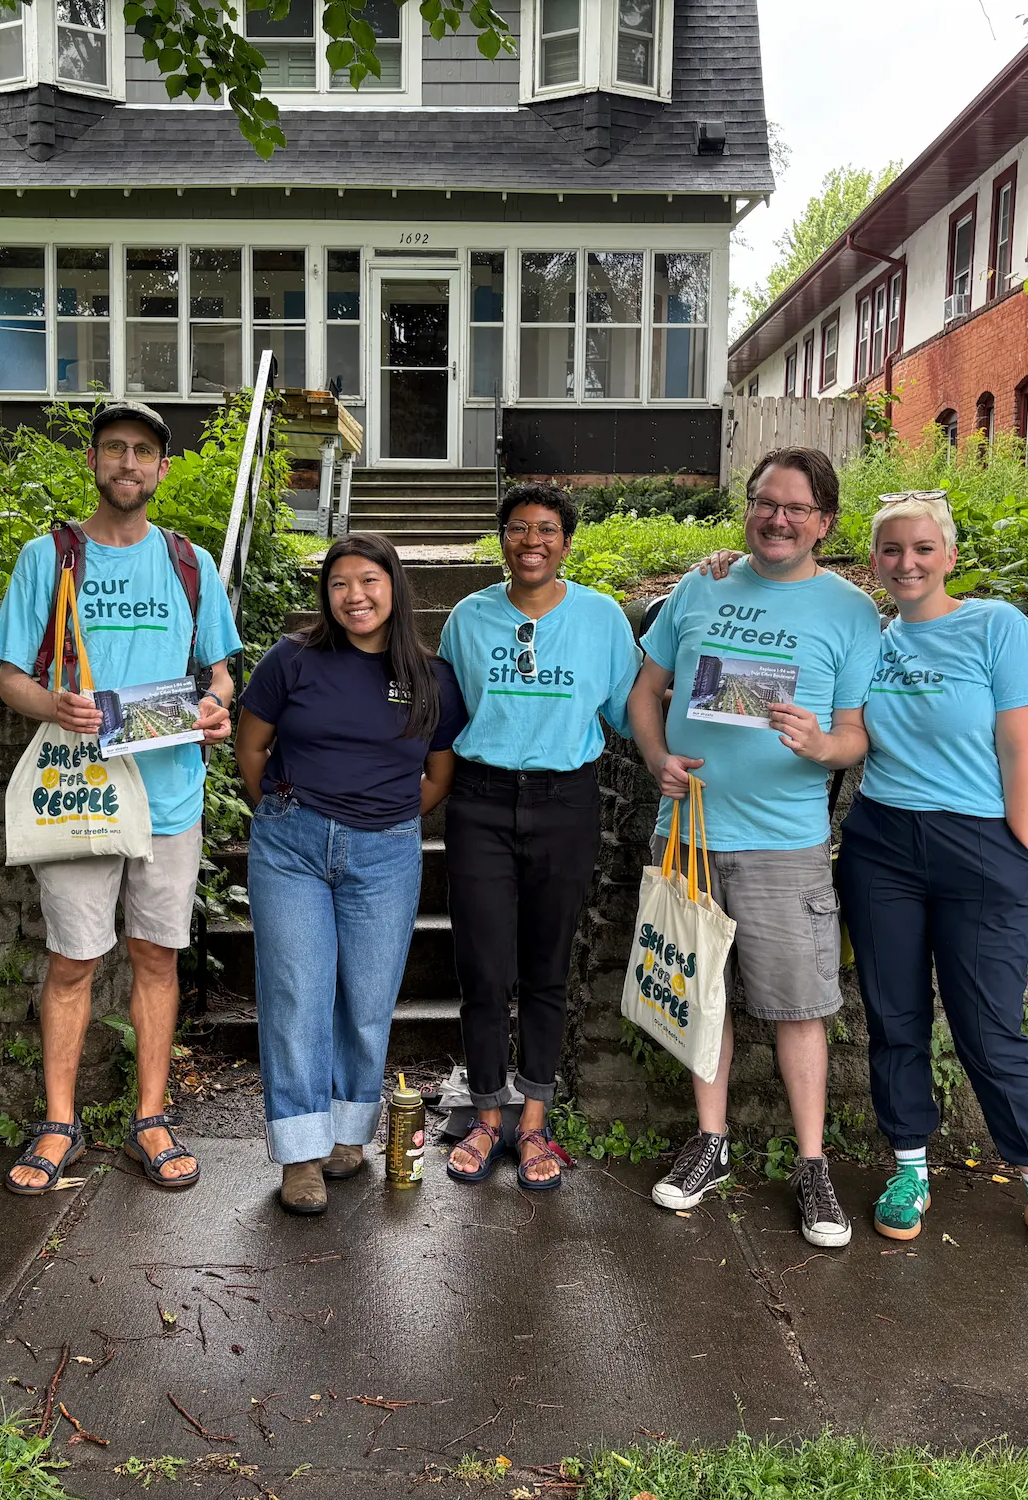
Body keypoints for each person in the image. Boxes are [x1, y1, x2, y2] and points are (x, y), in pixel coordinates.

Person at [835, 491, 1028, 1273]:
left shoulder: (996, 626)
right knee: (894, 1015)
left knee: (990, 1027)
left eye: (923, 548)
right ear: (875, 560)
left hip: (979, 844)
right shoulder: (868, 639)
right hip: (882, 841)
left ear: (949, 555)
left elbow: (1022, 753)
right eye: (891, 550)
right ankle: (909, 1172)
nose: (907, 562)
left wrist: (1020, 854)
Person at [625, 446, 879, 1244]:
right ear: (749, 509)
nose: (777, 518)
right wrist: (655, 757)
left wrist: (820, 747)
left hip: (785, 841)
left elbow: (857, 739)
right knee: (702, 994)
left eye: (796, 509)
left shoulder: (851, 612)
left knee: (800, 1009)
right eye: (767, 502)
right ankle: (711, 1141)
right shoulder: (702, 584)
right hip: (688, 832)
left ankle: (813, 1167)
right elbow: (645, 691)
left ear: (824, 524)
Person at [0, 401, 240, 1196]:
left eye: (142, 452)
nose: (128, 463)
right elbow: (8, 678)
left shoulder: (190, 562)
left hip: (169, 796)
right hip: (80, 796)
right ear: (95, 463)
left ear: (162, 470)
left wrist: (212, 708)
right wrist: (51, 705)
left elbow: (218, 673)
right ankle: (59, 1124)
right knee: (73, 961)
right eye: (114, 449)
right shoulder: (49, 557)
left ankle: (151, 1118)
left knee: (155, 957)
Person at [236, 532, 467, 1215]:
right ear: (325, 594)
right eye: (339, 584)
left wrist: (385, 819)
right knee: (297, 996)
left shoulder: (431, 678)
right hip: (293, 847)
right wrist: (281, 813)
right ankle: (301, 1155)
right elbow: (251, 746)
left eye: (368, 581)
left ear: (394, 587)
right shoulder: (292, 660)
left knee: (366, 1001)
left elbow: (439, 776)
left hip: (385, 853)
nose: (354, 596)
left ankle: (348, 1134)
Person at [436, 483, 641, 1191]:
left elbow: (629, 706)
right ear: (501, 539)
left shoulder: (601, 617)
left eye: (547, 530)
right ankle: (487, 1116)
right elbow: (448, 712)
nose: (532, 541)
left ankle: (534, 1123)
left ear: (566, 542)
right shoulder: (467, 618)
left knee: (547, 968)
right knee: (485, 970)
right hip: (481, 802)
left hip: (565, 801)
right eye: (519, 529)